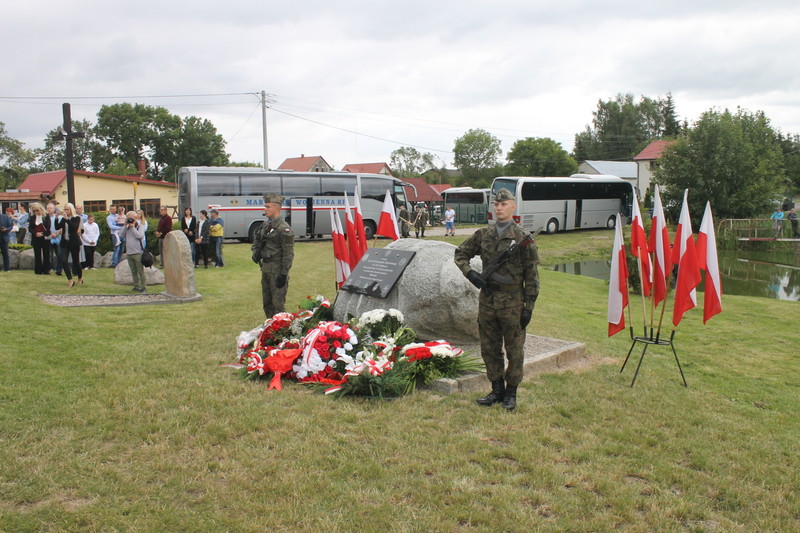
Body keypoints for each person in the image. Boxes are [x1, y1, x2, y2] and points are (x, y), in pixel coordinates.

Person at [454, 188, 540, 411]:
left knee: (514, 349)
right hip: (488, 299)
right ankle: (496, 389)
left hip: (513, 302)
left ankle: (511, 393)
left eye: (504, 204)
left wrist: (528, 306)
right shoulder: (483, 234)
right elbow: (460, 253)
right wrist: (470, 273)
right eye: (496, 204)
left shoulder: (522, 238)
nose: (499, 208)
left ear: (513, 207)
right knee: (489, 347)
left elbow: (532, 276)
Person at [251, 193, 294, 318]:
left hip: (277, 270)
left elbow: (288, 253)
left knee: (278, 305)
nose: (265, 209)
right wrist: (255, 252)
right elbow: (257, 240)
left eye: (268, 207)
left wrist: (284, 273)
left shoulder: (284, 229)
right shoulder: (265, 225)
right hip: (266, 268)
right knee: (267, 303)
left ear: (277, 208)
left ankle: (280, 331)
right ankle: (269, 329)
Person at [118, 211, 147, 293]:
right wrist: (125, 225)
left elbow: (139, 236)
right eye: (128, 218)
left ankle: (143, 287)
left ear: (136, 218)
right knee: (133, 271)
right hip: (129, 252)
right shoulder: (127, 227)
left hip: (138, 252)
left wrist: (133, 227)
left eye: (132, 218)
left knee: (140, 271)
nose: (130, 220)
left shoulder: (140, 226)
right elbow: (120, 235)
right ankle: (136, 286)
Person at [56, 203, 84, 287]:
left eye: (67, 209)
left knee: (76, 262)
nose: (65, 211)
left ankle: (80, 277)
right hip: (65, 242)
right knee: (64, 260)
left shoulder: (77, 218)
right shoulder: (63, 219)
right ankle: (70, 280)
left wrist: (67, 219)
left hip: (74, 242)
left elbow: (74, 227)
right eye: (64, 209)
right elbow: (57, 227)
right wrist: (56, 218)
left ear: (71, 210)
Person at [28, 203, 50, 274]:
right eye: (33, 211)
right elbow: (30, 228)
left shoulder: (46, 216)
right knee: (37, 255)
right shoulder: (32, 217)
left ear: (40, 209)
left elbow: (48, 228)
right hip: (36, 238)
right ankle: (38, 270)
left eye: (36, 210)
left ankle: (46, 270)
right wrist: (35, 233)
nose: (35, 212)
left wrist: (42, 234)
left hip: (45, 237)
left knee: (46, 254)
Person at [47, 204, 63, 275]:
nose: (49, 209)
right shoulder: (45, 218)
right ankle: (51, 268)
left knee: (59, 254)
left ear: (54, 209)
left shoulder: (59, 218)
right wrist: (50, 234)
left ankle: (59, 269)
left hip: (58, 238)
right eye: (48, 208)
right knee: (49, 255)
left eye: (51, 208)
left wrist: (56, 234)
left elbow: (62, 228)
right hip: (48, 238)